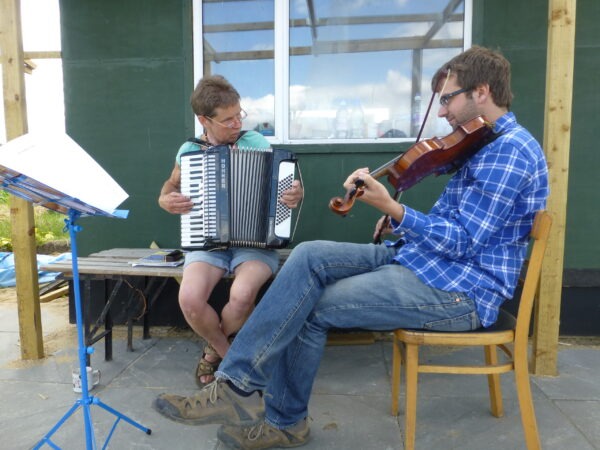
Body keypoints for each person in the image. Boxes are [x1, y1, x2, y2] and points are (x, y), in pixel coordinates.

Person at [153, 46, 549, 450]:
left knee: (309, 306)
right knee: (308, 254)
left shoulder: (508, 152)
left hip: (458, 290)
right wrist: (398, 222)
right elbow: (458, 226)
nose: (442, 112)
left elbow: (464, 242)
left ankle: (271, 413)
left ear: (481, 92)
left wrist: (394, 207)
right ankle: (241, 391)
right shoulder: (483, 143)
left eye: (448, 99)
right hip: (422, 261)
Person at [158, 75, 303, 387]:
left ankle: (215, 353)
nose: (237, 124)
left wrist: (295, 193)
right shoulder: (189, 151)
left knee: (242, 295)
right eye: (227, 120)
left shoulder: (256, 143)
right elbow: (170, 187)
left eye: (240, 115)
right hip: (207, 240)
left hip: (255, 242)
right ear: (203, 120)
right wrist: (165, 199)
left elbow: (287, 186)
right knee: (190, 301)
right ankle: (234, 357)